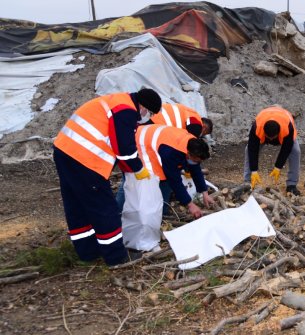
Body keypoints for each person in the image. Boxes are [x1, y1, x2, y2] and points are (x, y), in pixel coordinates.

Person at [53, 88, 162, 266]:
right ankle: (116, 257)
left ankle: (88, 252)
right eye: (149, 113)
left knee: (77, 205)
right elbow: (124, 149)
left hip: (64, 150)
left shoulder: (117, 101)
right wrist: (137, 168)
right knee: (104, 207)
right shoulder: (127, 110)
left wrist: (129, 168)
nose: (146, 117)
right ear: (143, 106)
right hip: (85, 158)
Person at [134, 124, 213, 218]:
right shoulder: (171, 153)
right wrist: (190, 204)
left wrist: (205, 193)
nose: (197, 163)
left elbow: (196, 169)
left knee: (165, 179)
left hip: (158, 140)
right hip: (141, 142)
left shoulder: (193, 143)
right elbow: (174, 180)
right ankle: (131, 211)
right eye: (196, 160)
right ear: (188, 154)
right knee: (154, 178)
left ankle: (161, 210)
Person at [244, 106, 301, 196]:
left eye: (272, 138)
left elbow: (286, 148)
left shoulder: (287, 127)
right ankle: (247, 182)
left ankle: (292, 185)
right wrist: (254, 170)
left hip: (284, 126)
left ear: (278, 133)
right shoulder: (257, 126)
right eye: (268, 137)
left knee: (296, 151)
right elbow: (252, 149)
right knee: (248, 149)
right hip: (264, 123)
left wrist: (278, 167)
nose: (270, 140)